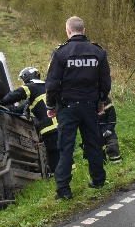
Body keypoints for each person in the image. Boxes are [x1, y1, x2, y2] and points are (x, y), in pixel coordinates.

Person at [46, 16, 111, 199]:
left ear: (68, 30)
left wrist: (51, 105)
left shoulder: (60, 53)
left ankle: (64, 190)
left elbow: (52, 84)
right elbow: (105, 82)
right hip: (90, 106)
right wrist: (101, 102)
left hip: (67, 107)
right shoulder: (98, 52)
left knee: (65, 147)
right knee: (93, 144)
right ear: (83, 29)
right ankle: (98, 180)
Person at [0, 67, 60, 175]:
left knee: (53, 152)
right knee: (63, 150)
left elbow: (15, 95)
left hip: (49, 127)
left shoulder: (31, 87)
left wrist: (0, 101)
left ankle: (58, 174)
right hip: (61, 125)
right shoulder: (45, 87)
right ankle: (70, 173)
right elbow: (19, 109)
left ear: (26, 78)